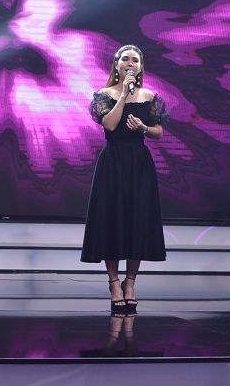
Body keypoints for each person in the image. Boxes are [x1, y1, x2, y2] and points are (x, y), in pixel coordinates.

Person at [82, 44, 168, 315]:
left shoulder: (150, 97)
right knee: (112, 219)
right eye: (126, 59)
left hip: (139, 163)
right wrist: (123, 95)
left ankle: (130, 283)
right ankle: (114, 283)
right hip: (113, 163)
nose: (131, 63)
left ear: (141, 67)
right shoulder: (103, 95)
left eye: (136, 60)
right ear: (117, 65)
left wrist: (144, 128)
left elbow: (158, 132)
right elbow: (109, 125)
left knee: (136, 220)